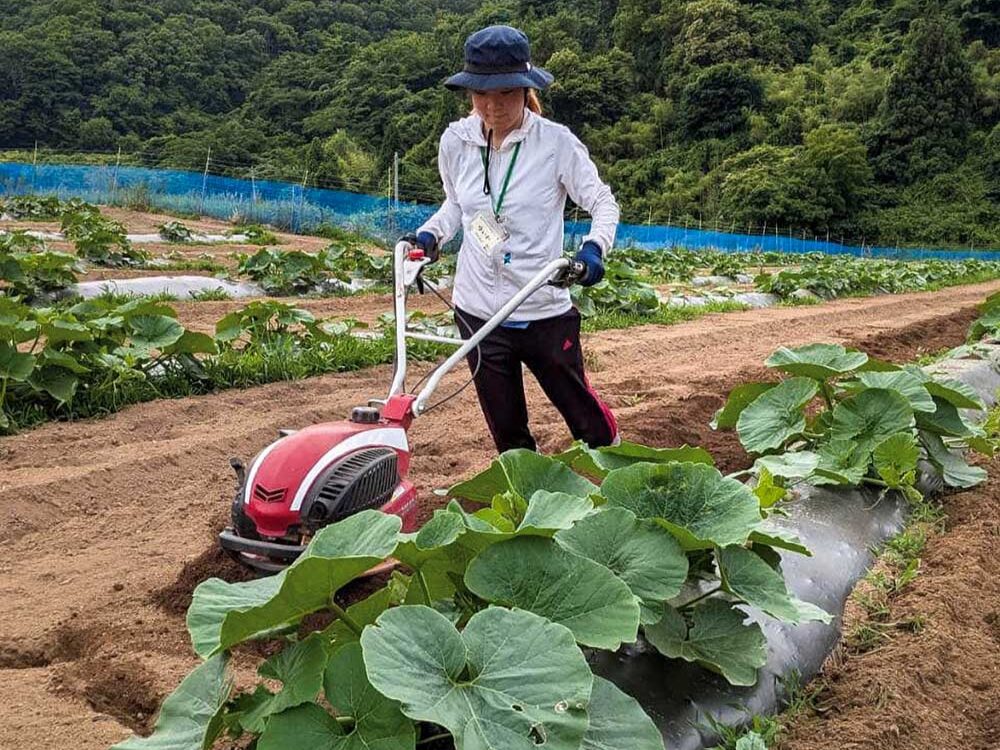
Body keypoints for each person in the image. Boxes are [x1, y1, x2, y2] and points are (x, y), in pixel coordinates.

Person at [400, 24, 620, 454]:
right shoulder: (457, 141)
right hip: (477, 309)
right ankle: (528, 504)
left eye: (504, 94)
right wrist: (431, 234)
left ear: (524, 90)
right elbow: (456, 206)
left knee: (584, 418)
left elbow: (603, 203)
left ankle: (619, 472)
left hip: (541, 306)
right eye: (482, 94)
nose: (492, 106)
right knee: (508, 433)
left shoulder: (556, 144)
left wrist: (594, 250)